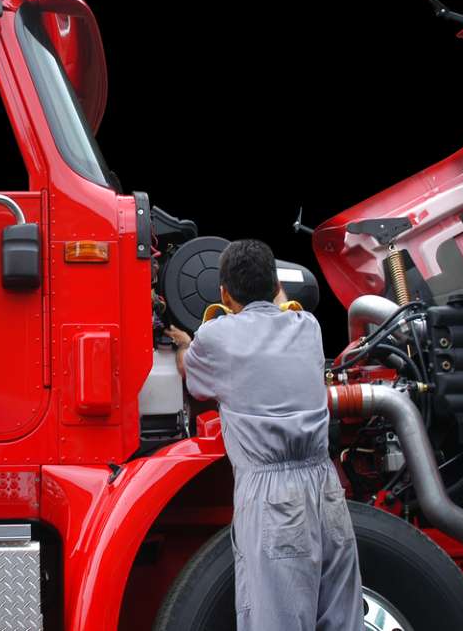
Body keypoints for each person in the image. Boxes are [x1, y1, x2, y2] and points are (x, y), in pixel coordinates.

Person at [165, 239, 363, 631]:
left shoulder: (216, 337)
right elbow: (281, 302)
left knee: (277, 620)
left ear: (223, 293)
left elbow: (195, 379)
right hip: (326, 490)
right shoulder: (308, 327)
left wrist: (186, 345)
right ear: (276, 284)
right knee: (342, 619)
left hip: (274, 503)